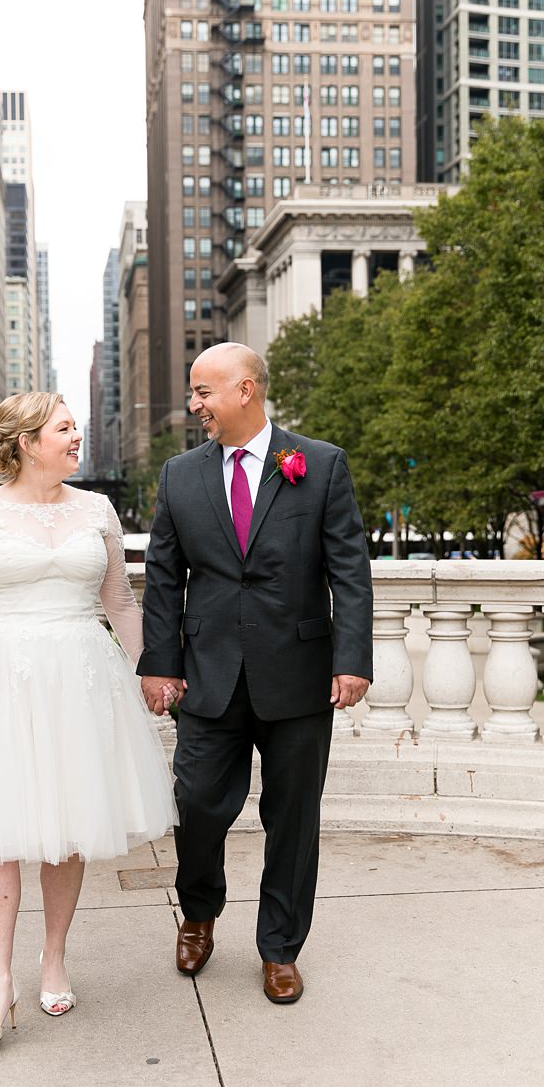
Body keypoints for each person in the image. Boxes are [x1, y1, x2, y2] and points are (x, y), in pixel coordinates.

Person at [0, 392, 176, 1052]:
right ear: (27, 441)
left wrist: (150, 670)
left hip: (84, 679)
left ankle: (53, 955)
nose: (76, 437)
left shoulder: (99, 510)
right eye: (64, 428)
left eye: (75, 427)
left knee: (68, 830)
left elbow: (119, 600)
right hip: (1, 679)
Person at [138, 342, 372, 1005]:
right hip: (209, 675)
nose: (193, 405)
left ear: (245, 390)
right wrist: (161, 666)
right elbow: (163, 579)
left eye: (203, 392)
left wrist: (352, 657)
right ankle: (201, 911)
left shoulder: (320, 464)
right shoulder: (179, 476)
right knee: (198, 804)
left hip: (299, 674)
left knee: (293, 816)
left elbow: (348, 569)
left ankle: (280, 947)